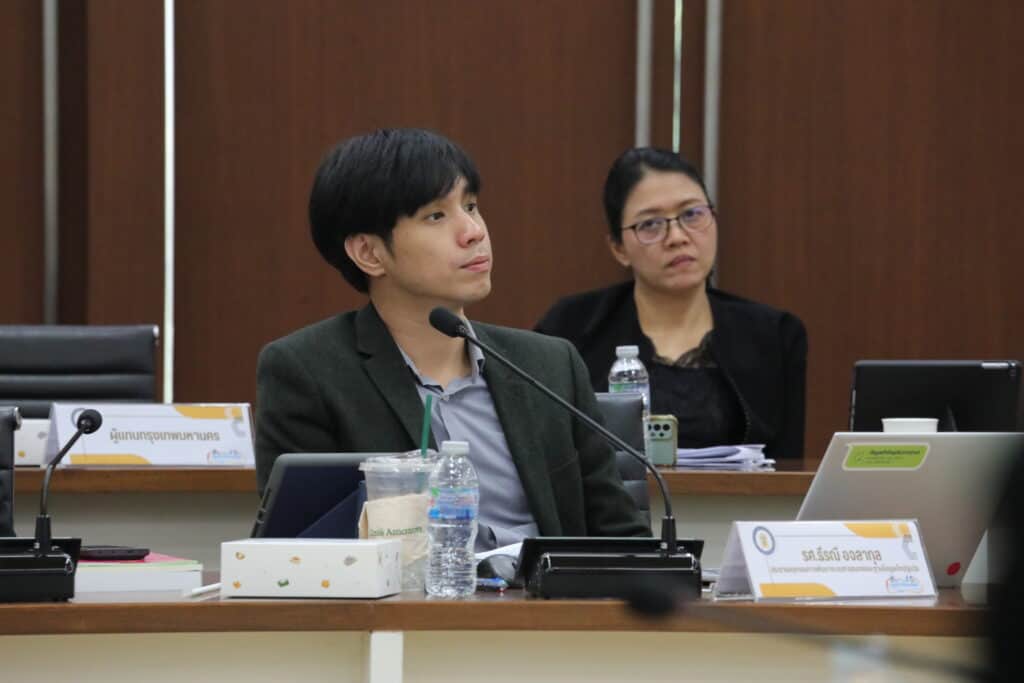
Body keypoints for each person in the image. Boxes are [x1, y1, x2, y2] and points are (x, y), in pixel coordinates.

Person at [255, 128, 649, 550]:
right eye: (436, 216)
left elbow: (624, 540)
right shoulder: (309, 372)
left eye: (471, 206)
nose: (473, 231)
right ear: (369, 253)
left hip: (549, 593)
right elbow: (306, 554)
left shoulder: (550, 365)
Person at [536, 148, 807, 459]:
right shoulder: (569, 330)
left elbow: (786, 470)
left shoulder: (774, 335)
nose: (677, 237)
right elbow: (548, 455)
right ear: (619, 248)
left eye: (692, 214)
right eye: (650, 224)